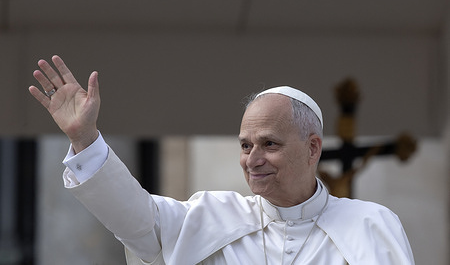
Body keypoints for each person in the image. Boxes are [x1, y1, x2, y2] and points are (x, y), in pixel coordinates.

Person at [29, 55, 415, 265]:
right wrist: (85, 139)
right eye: (245, 146)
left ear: (313, 147)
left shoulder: (371, 225)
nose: (253, 159)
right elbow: (133, 217)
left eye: (269, 144)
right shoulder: (211, 216)